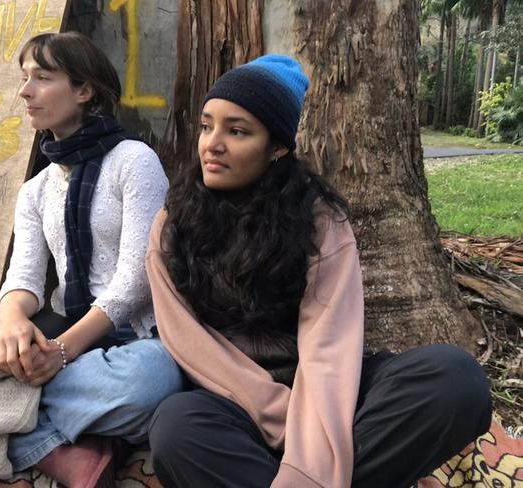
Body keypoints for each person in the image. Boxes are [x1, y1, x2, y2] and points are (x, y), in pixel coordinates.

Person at [144, 55, 492, 488]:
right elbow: (188, 341)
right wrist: (289, 423)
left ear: (278, 148)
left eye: (237, 131)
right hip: (235, 398)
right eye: (206, 125)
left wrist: (314, 442)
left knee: (455, 378)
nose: (212, 144)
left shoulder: (319, 221)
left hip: (328, 388)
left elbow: (329, 347)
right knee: (176, 429)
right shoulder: (173, 222)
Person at [0, 32, 182, 487]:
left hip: (127, 340)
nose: (24, 92)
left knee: (154, 379)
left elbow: (137, 278)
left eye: (42, 78)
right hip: (55, 335)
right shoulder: (38, 188)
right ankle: (49, 449)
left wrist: (63, 352)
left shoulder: (134, 161)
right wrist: (12, 324)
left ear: (85, 91)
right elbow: (24, 278)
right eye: (24, 78)